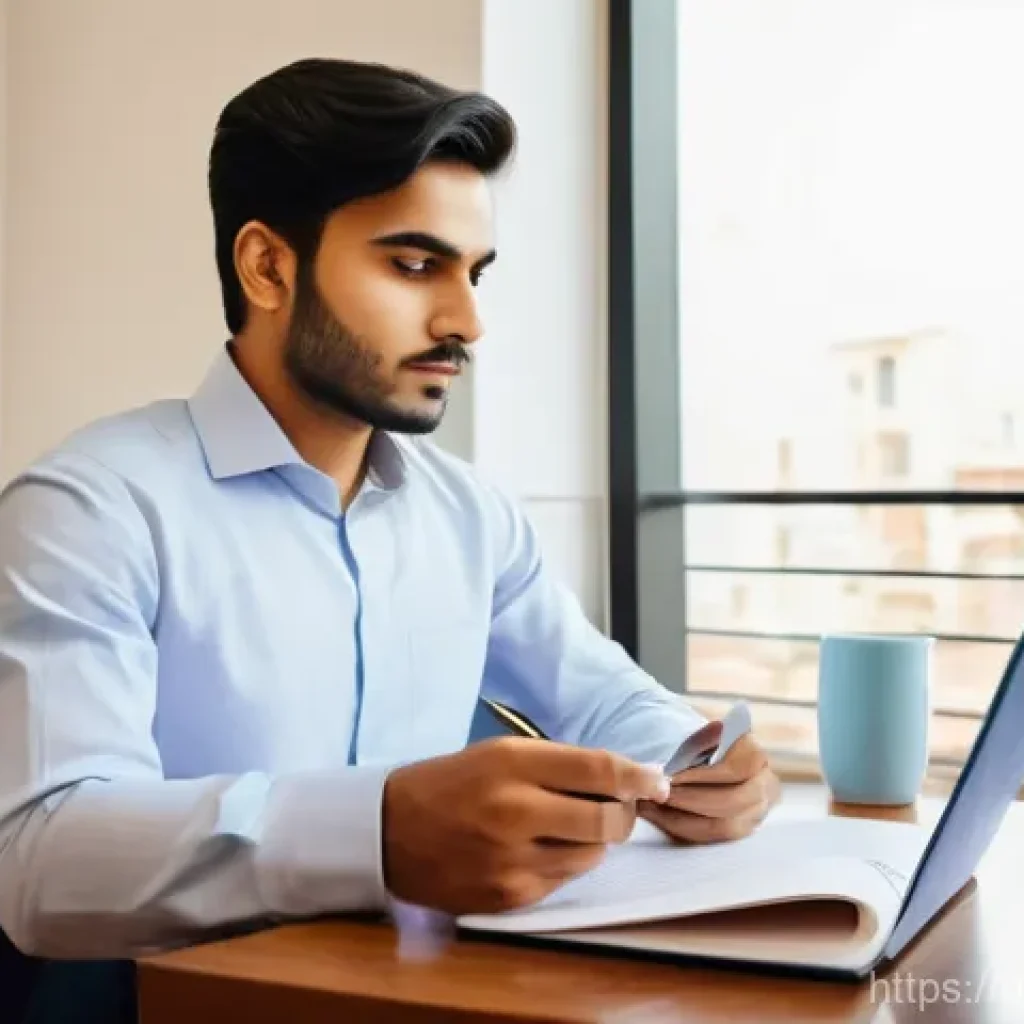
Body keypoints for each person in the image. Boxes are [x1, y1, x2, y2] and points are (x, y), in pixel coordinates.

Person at [0, 58, 779, 959]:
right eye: (415, 265)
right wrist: (376, 830)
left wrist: (695, 763)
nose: (466, 320)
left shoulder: (470, 515)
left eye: (475, 274)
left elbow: (606, 700)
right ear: (266, 266)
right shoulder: (89, 511)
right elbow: (41, 858)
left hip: (420, 989)